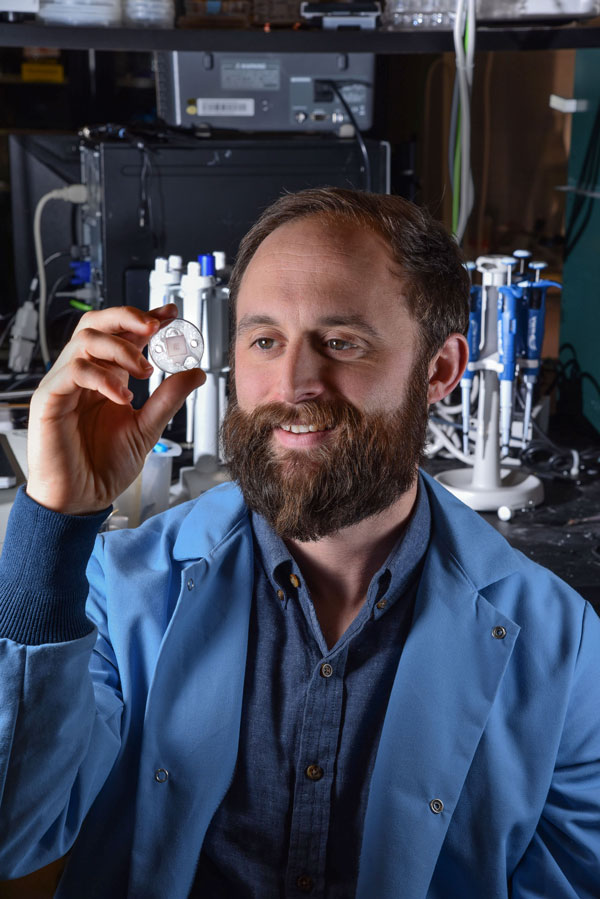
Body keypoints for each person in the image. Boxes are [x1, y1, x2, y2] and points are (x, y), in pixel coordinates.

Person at [0, 188, 599, 899]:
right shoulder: (118, 587)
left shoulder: (565, 647)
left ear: (439, 371)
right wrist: (56, 520)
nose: (293, 384)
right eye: (265, 340)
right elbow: (14, 831)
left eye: (341, 342)